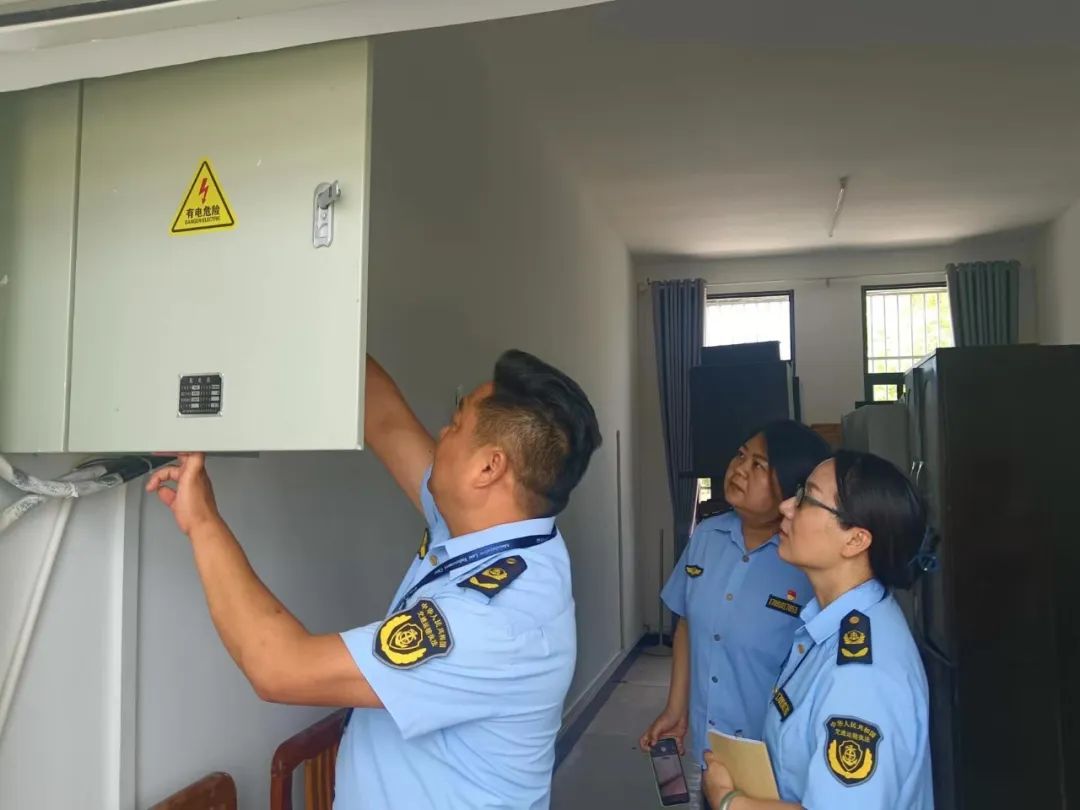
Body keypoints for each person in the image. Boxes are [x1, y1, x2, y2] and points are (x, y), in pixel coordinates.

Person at [146, 350, 602, 810]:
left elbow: (278, 667)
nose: (442, 433)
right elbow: (384, 419)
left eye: (456, 424)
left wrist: (201, 519)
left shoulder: (495, 622)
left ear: (488, 468)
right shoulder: (506, 531)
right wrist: (316, 315)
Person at [703, 450, 933, 810]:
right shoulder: (831, 624)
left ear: (855, 540)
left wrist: (729, 801)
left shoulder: (860, 677)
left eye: (807, 499)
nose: (786, 507)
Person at [640, 421, 832, 808]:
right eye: (741, 455)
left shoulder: (807, 561)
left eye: (758, 465)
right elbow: (687, 624)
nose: (739, 468)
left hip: (775, 761)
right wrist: (676, 710)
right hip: (710, 748)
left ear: (791, 488)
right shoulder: (706, 536)